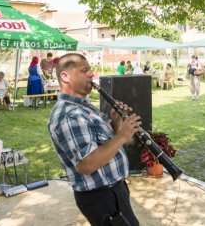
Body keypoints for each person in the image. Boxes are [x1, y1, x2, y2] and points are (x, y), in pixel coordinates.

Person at [48, 53, 141, 226]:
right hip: (100, 197)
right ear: (65, 76)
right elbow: (87, 164)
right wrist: (123, 136)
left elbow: (100, 145)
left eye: (90, 69)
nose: (91, 74)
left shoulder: (82, 106)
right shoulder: (69, 115)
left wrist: (116, 124)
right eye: (85, 70)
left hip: (113, 191)